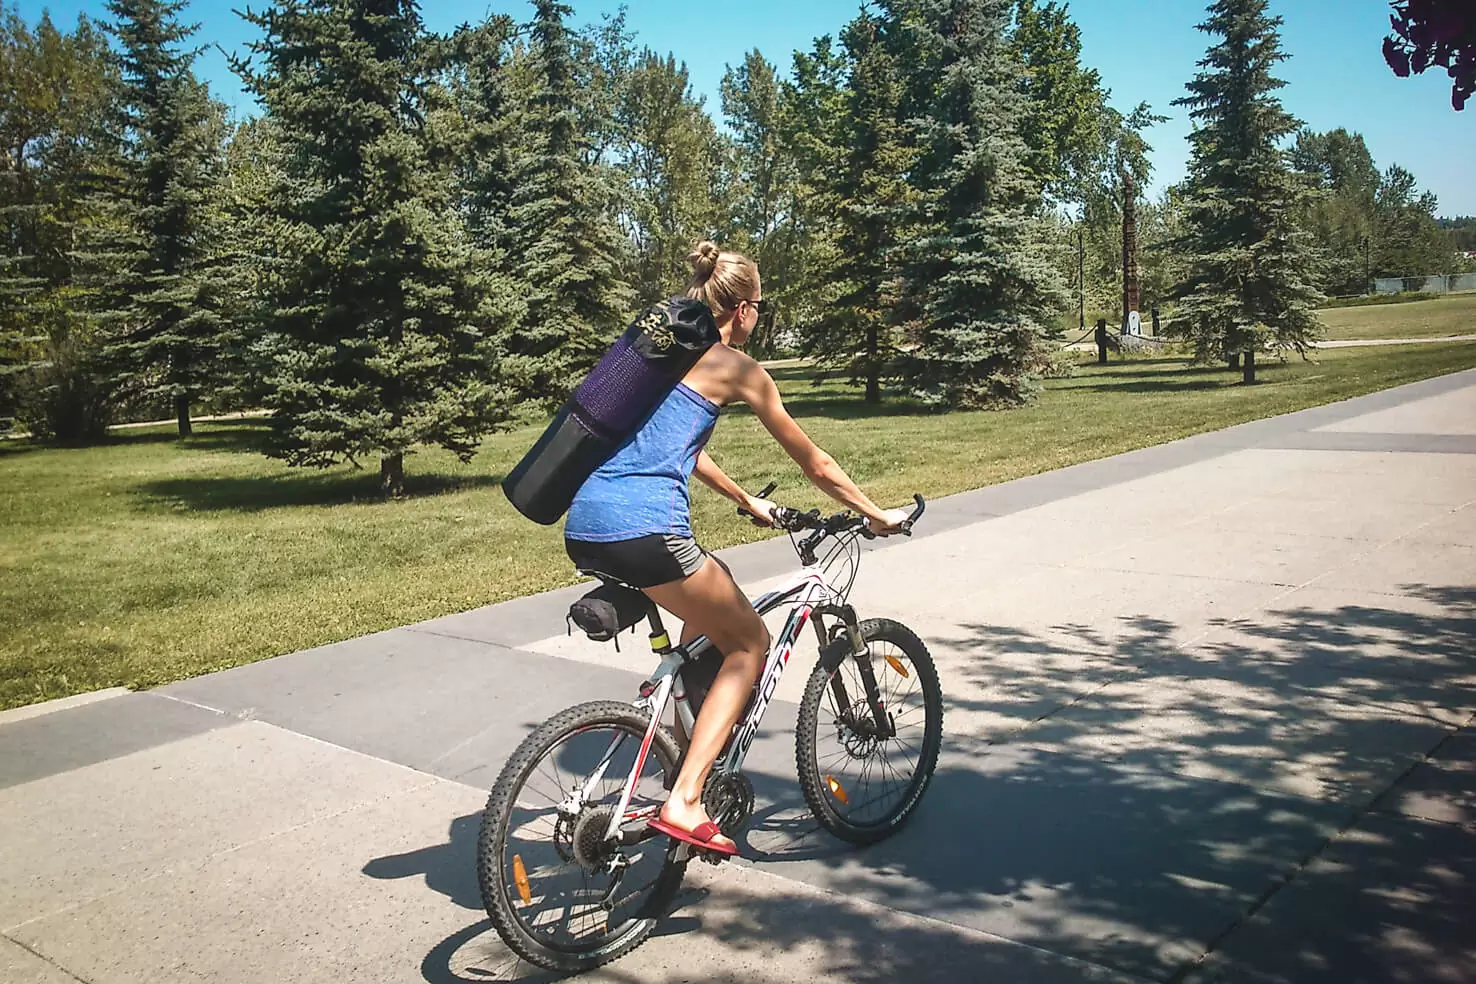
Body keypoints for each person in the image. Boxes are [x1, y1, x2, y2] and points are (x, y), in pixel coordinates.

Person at [563, 240, 912, 856]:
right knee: (750, 643)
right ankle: (687, 797)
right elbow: (817, 465)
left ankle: (683, 747)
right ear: (745, 309)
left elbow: (683, 448)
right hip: (647, 528)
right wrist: (876, 515)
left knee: (713, 594)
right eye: (760, 307)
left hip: (586, 520)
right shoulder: (739, 368)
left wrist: (748, 500)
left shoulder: (660, 352)